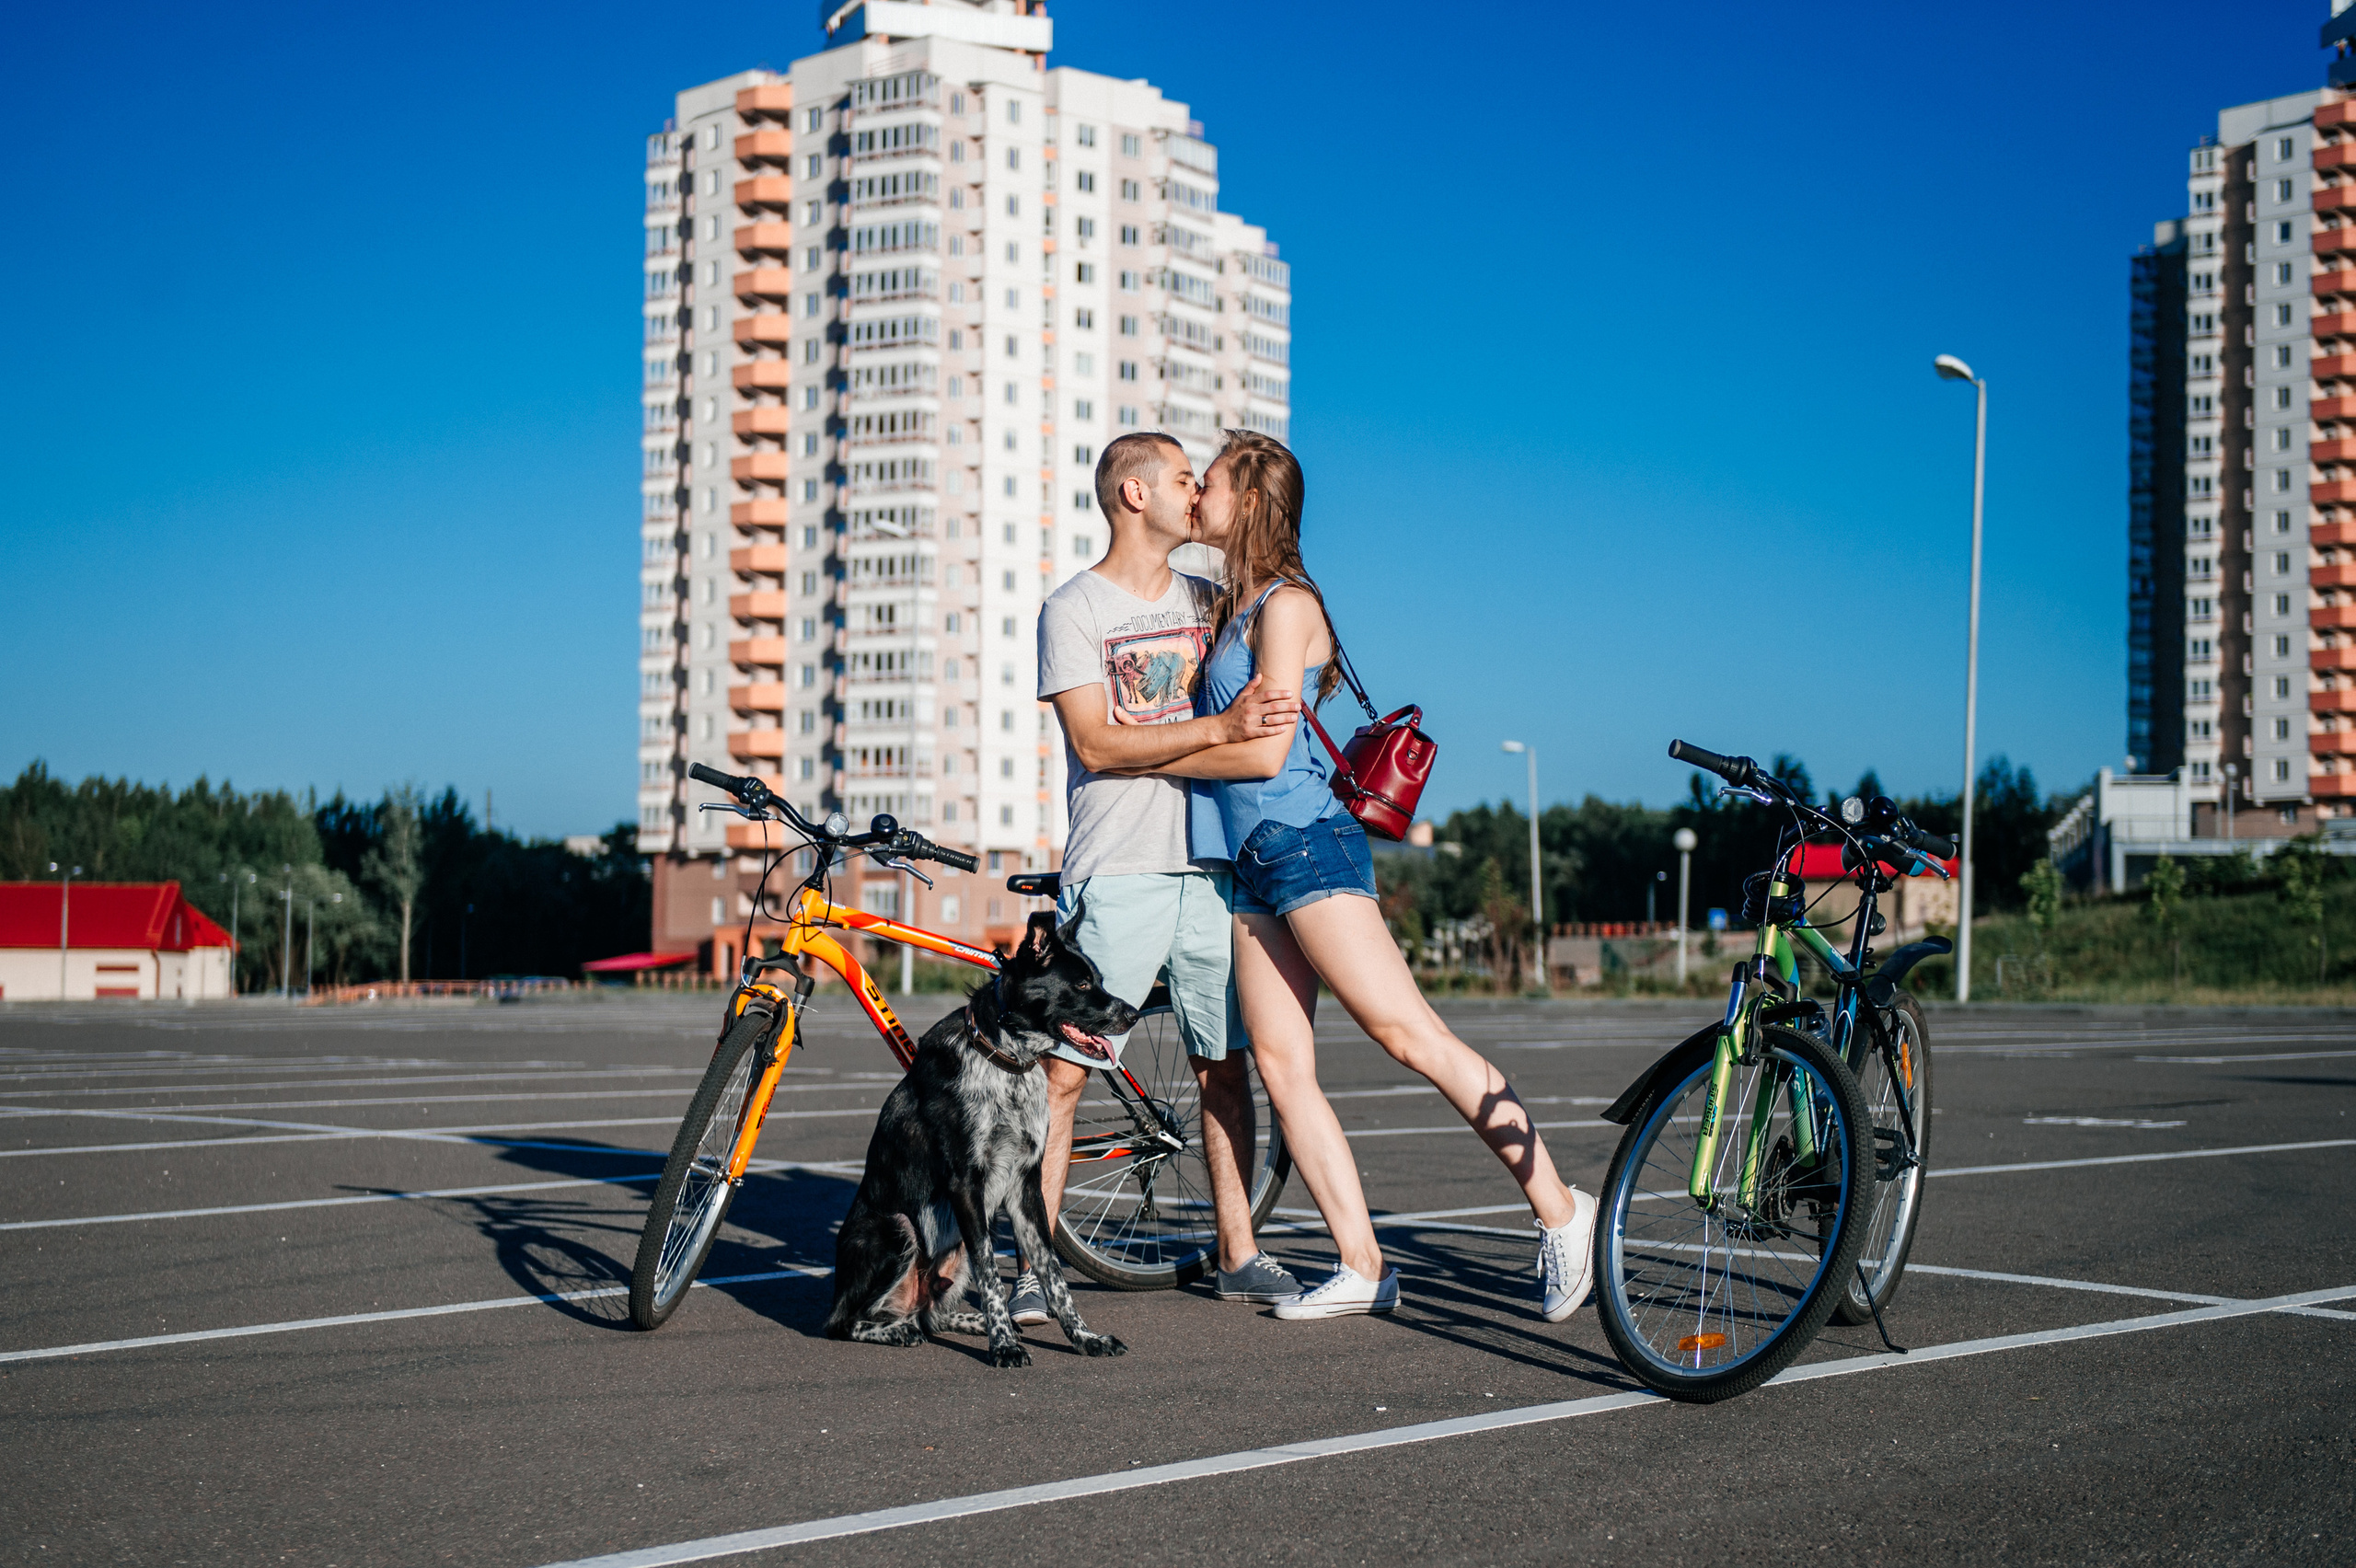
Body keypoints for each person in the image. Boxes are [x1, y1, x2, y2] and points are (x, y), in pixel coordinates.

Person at [1127, 429, 1597, 1321]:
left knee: (1407, 1034)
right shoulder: (1231, 610)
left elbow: (1266, 756)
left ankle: (1562, 1210)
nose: (1198, 498)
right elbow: (1238, 735)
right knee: (1281, 1064)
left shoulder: (1286, 605)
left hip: (1305, 843)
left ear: (1253, 499)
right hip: (1248, 863)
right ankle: (1362, 1264)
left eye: (1212, 483)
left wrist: (1155, 755)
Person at [1013, 430, 1307, 1322]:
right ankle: (1033, 1265)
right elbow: (1096, 743)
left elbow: (1282, 679)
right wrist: (1218, 734)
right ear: (1133, 495)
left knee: (1223, 1065)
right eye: (1184, 479)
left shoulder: (1218, 602)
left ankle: (1239, 1250)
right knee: (1063, 1072)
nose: (1196, 493)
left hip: (1216, 868)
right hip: (1118, 868)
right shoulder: (1072, 610)